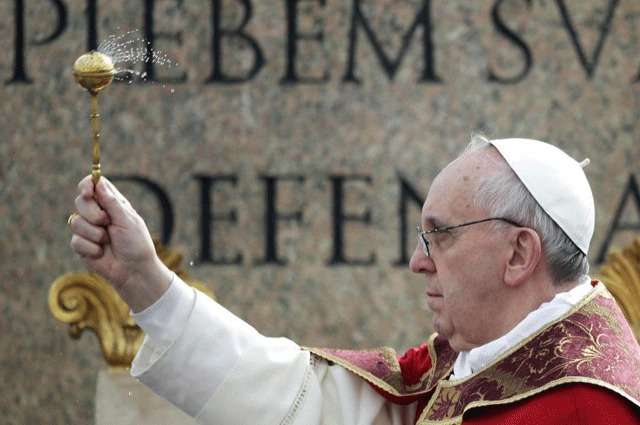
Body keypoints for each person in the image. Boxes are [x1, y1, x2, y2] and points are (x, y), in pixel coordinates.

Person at [69, 135, 640, 424]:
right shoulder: (476, 365)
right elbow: (309, 402)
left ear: (518, 254)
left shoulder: (589, 407)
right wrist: (148, 285)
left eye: (440, 235)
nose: (419, 262)